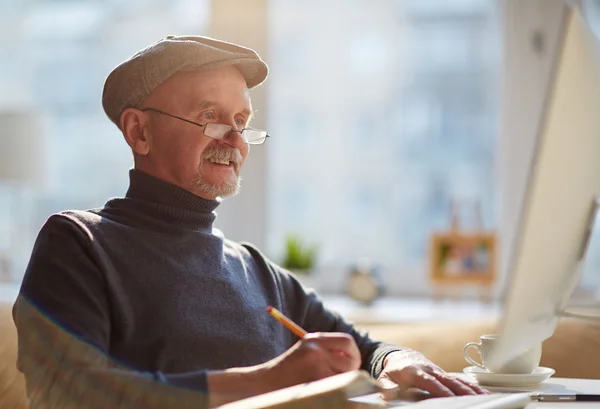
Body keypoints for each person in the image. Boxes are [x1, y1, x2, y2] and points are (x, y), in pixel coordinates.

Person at [12, 36, 487, 409]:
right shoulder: (78, 243)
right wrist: (274, 379)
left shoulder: (255, 270)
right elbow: (66, 396)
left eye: (242, 120)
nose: (236, 142)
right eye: (211, 117)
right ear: (139, 131)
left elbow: (366, 347)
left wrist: (400, 360)